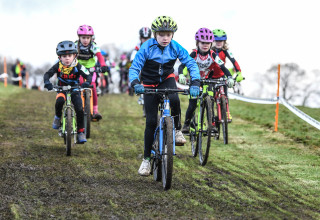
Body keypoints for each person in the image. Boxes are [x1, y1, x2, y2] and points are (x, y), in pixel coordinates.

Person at [129, 16, 201, 176]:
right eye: (162, 34)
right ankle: (146, 160)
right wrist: (135, 83)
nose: (165, 38)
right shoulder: (146, 47)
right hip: (148, 83)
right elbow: (135, 67)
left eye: (169, 34)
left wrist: (195, 82)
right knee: (151, 121)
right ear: (155, 34)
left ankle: (176, 129)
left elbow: (190, 63)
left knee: (175, 99)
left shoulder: (175, 47)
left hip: (166, 80)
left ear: (172, 35)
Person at [178, 28, 234, 133]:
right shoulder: (193, 54)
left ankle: (211, 125)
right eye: (203, 42)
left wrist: (229, 77)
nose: (205, 45)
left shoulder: (213, 54)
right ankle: (186, 124)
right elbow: (181, 66)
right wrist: (181, 75)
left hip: (208, 81)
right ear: (197, 43)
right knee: (193, 104)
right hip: (195, 81)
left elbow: (223, 67)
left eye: (208, 43)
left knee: (210, 101)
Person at [43, 41, 92, 143]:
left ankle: (80, 131)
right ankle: (57, 117)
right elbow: (47, 74)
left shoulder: (78, 66)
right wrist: (47, 82)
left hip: (75, 89)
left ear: (75, 55)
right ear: (59, 57)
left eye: (69, 55)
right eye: (64, 56)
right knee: (59, 101)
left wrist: (87, 82)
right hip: (61, 89)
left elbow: (88, 75)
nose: (67, 58)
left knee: (79, 108)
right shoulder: (58, 66)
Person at [75, 24, 109, 121]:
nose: (85, 40)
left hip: (91, 70)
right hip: (79, 69)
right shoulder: (75, 45)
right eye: (83, 37)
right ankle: (76, 107)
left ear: (91, 38)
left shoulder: (93, 46)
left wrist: (103, 65)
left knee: (93, 86)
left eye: (88, 38)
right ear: (79, 37)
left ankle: (95, 110)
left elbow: (99, 56)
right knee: (79, 85)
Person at [212, 29, 243, 121]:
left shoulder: (226, 51)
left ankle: (226, 113)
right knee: (210, 98)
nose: (218, 43)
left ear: (224, 41)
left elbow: (234, 61)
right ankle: (211, 118)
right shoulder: (209, 51)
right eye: (216, 41)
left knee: (224, 95)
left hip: (221, 76)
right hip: (210, 76)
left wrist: (239, 73)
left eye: (221, 41)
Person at [130, 27, 152, 116]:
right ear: (140, 38)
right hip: (141, 67)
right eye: (144, 38)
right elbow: (133, 56)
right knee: (138, 74)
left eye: (147, 38)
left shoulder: (153, 45)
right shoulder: (138, 46)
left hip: (151, 67)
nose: (145, 40)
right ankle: (140, 93)